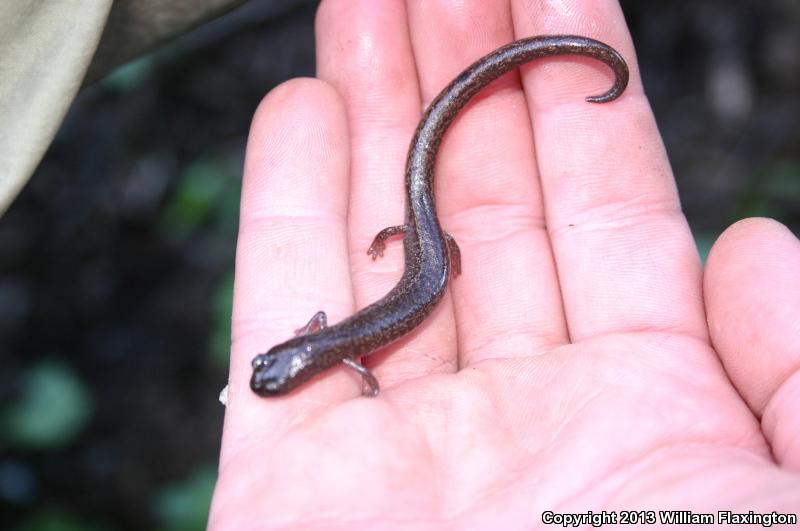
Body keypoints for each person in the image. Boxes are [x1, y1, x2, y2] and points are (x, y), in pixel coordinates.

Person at [209, 1, 800, 527]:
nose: (275, 371)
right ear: (306, 363)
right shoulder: (337, 347)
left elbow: (348, 355)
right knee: (421, 208)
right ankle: (423, 231)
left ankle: (428, 223)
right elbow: (321, 325)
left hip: (428, 256)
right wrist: (416, 249)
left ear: (310, 366)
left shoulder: (345, 356)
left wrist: (370, 384)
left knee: (420, 197)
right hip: (427, 257)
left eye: (273, 367)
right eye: (279, 369)